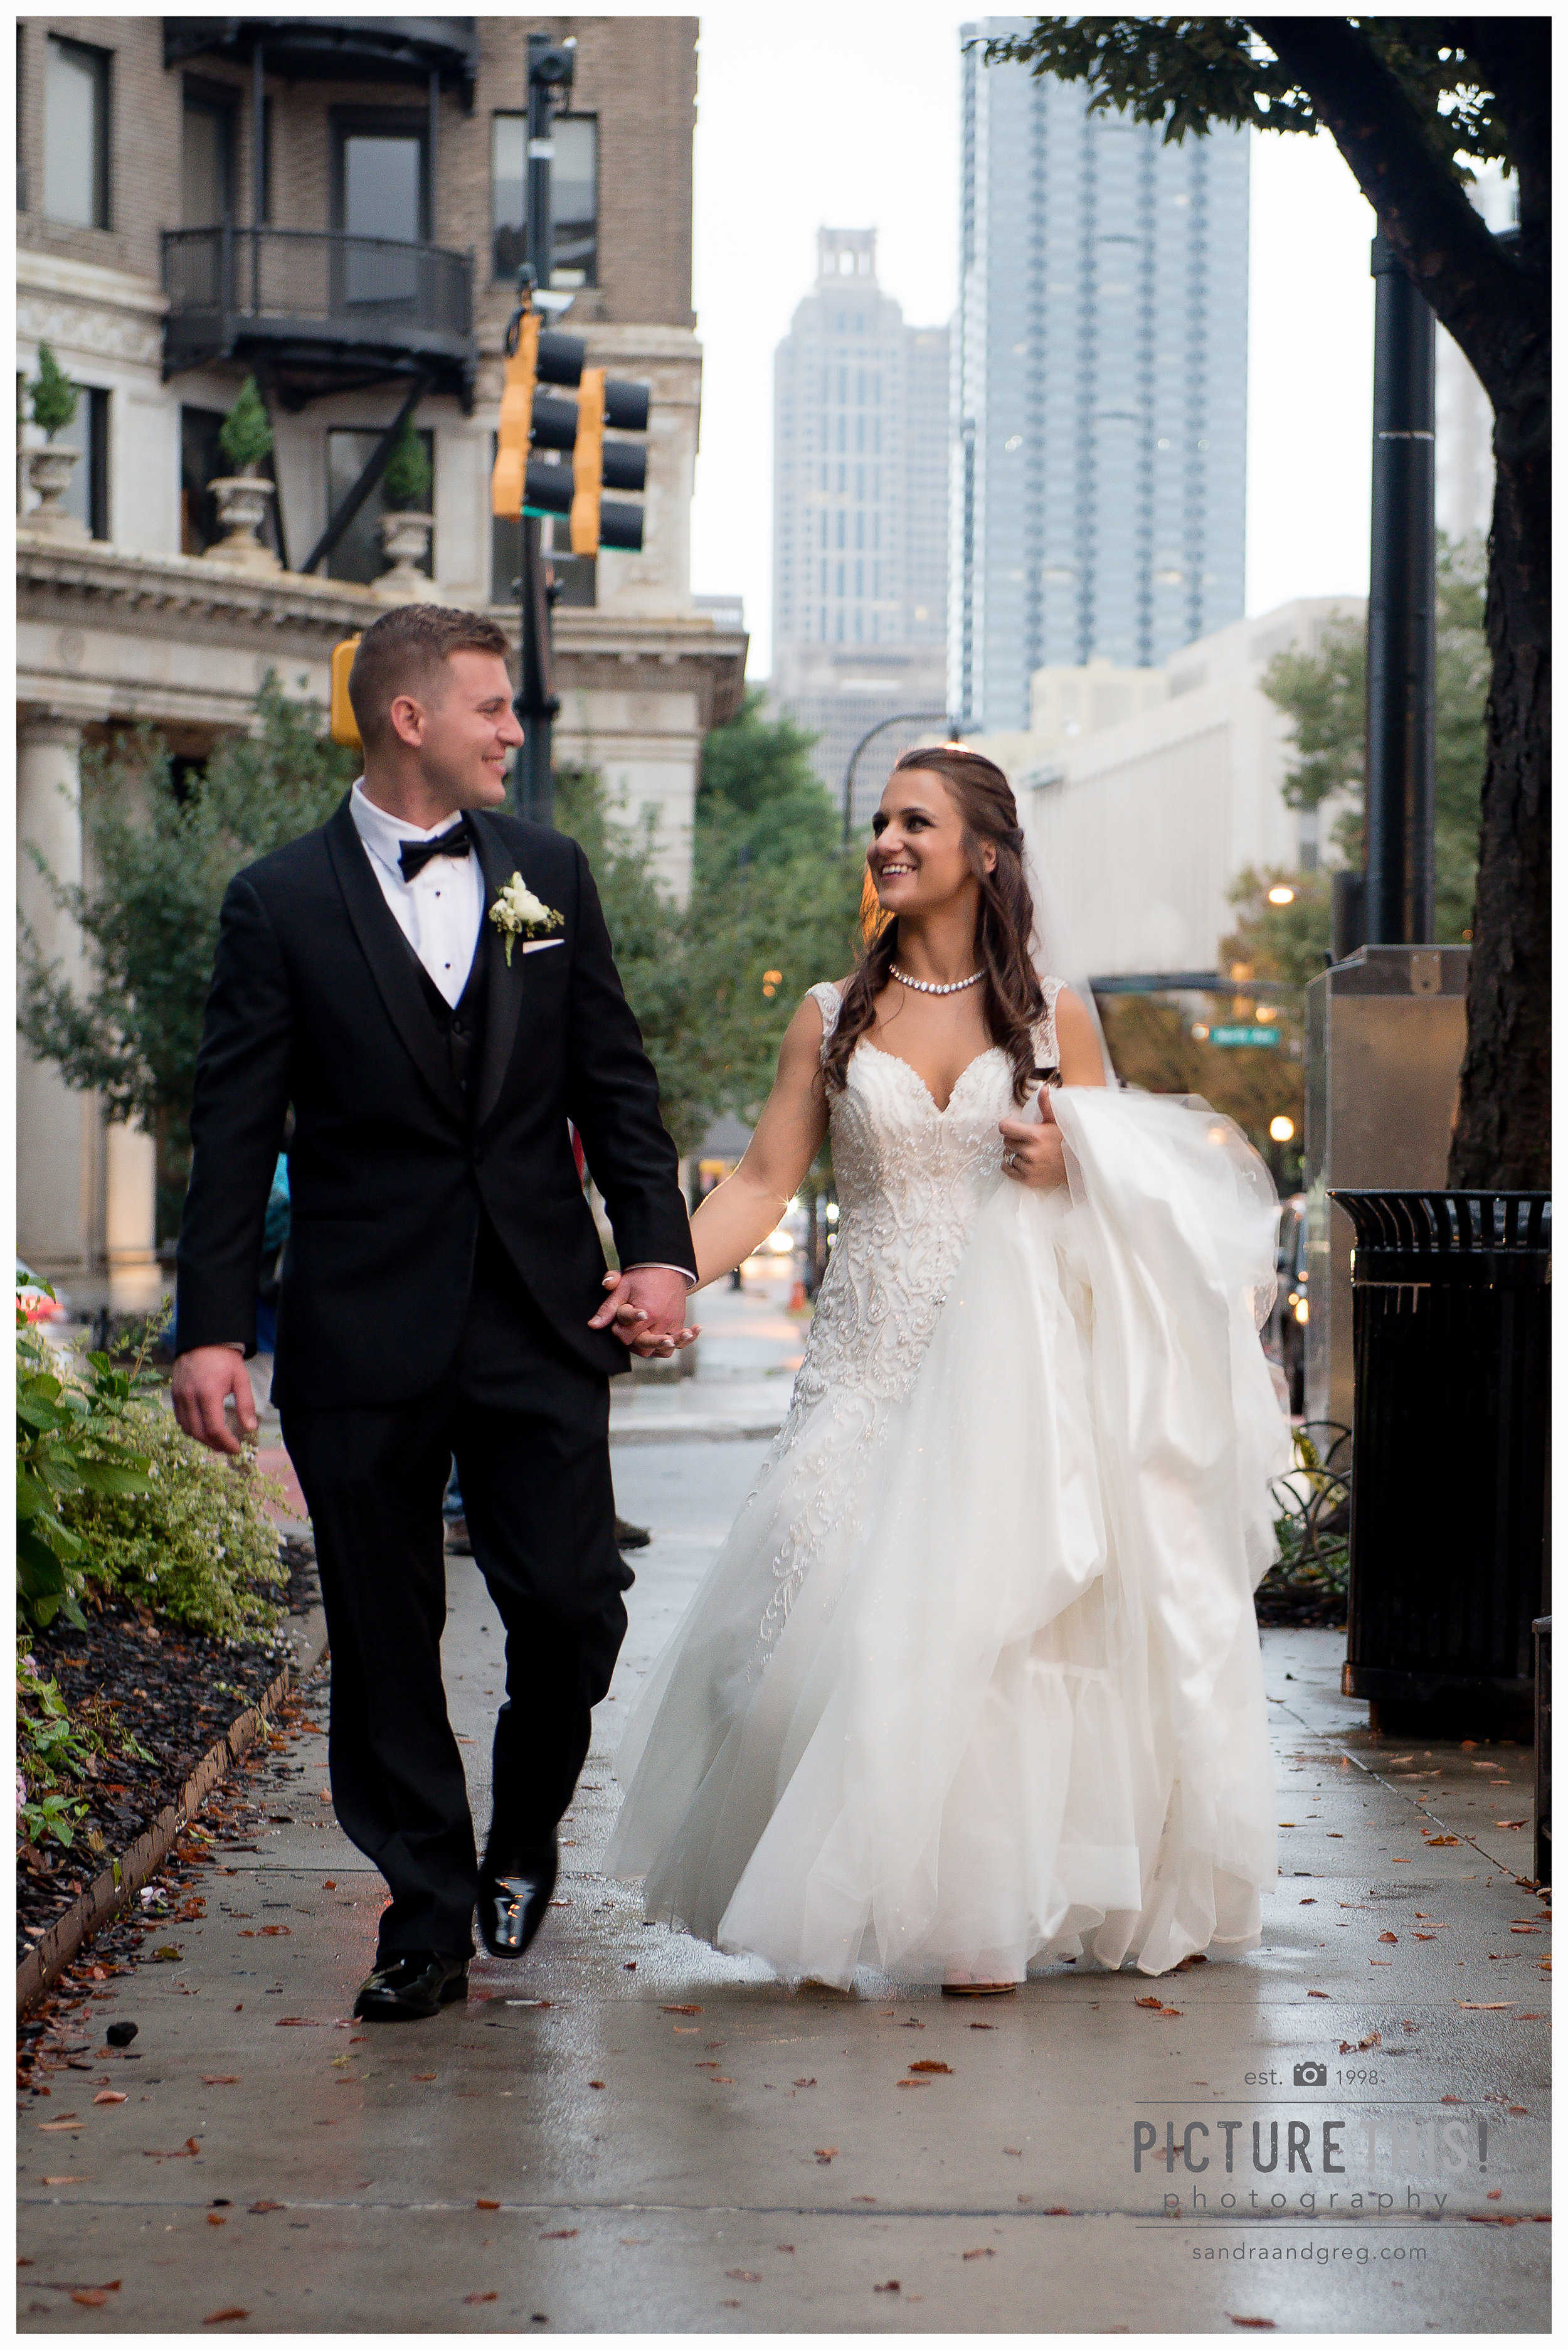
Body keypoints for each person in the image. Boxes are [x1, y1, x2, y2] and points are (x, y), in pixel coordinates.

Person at [605, 746, 1291, 1993]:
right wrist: (662, 1274)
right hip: (862, 1375)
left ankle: (978, 1915)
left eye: (913, 820)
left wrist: (1069, 1161)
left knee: (991, 1646)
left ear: (982, 851)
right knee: (793, 1650)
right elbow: (759, 1182)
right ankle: (824, 1888)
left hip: (1008, 1386)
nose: (884, 838)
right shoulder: (826, 1014)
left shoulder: (1052, 1016)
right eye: (876, 819)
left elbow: (1138, 1178)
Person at [171, 603, 698, 2023]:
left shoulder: (549, 873)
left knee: (575, 1609)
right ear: (410, 718)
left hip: (537, 1310)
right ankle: (425, 1908)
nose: (514, 732)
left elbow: (616, 1088)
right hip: (360, 1321)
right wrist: (210, 1327)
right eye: (493, 707)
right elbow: (233, 1134)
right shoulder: (276, 901)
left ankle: (522, 1832)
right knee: (387, 1631)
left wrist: (659, 1251)